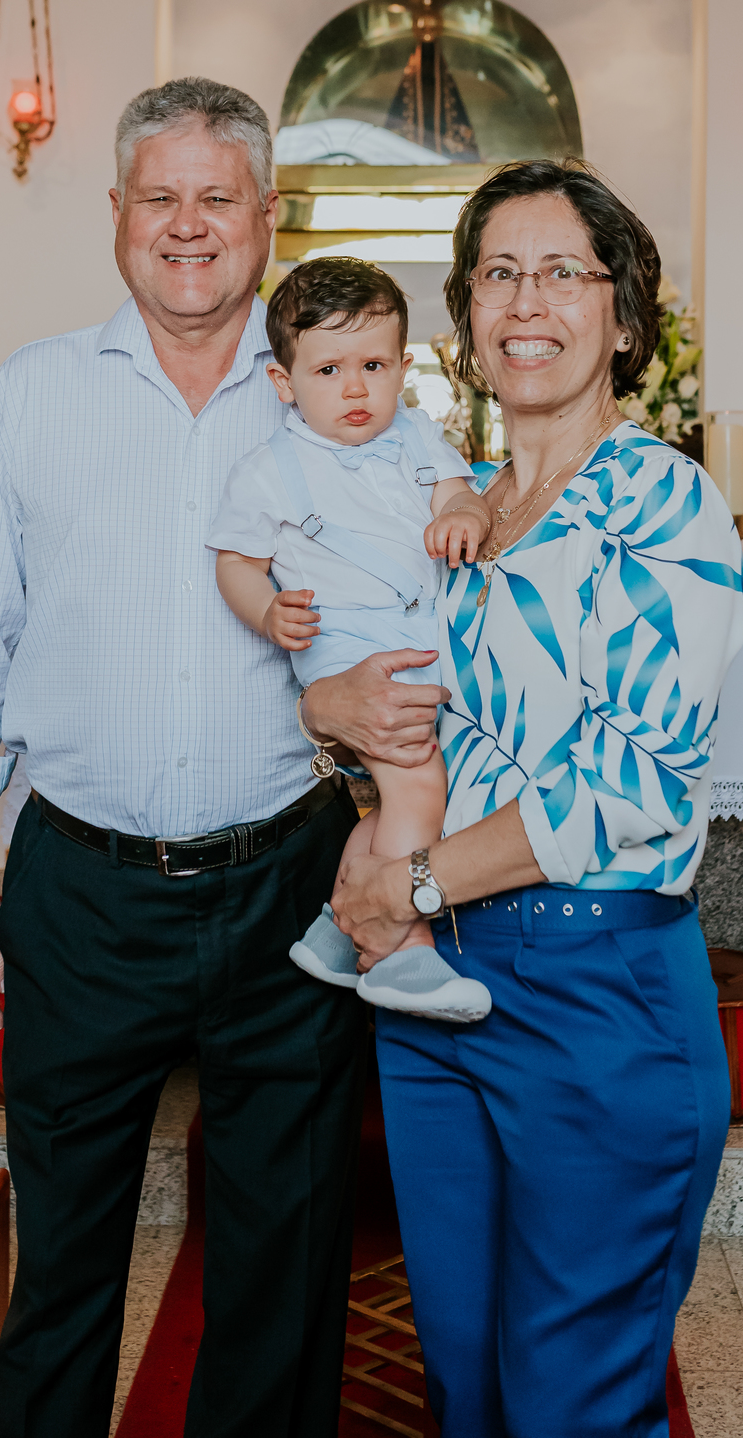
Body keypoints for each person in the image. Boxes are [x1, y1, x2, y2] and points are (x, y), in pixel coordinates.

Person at [0, 77, 450, 1438]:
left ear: (269, 218)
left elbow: (434, 582)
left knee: (284, 1263)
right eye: (161, 196)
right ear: (116, 215)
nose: (189, 225)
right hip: (80, 888)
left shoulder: (340, 401)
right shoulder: (37, 392)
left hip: (285, 877)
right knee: (66, 1267)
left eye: (220, 197)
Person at [329, 159, 743, 1438]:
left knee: (573, 1402)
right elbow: (427, 735)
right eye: (497, 274)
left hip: (596, 991)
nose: (528, 301)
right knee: (465, 1381)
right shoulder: (461, 513)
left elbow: (630, 775)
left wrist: (404, 883)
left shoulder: (661, 501)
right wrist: (337, 723)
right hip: (441, 992)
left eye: (563, 271)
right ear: (466, 317)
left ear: (624, 316)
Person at [211, 255, 492, 1022]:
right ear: (284, 382)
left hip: (422, 637)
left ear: (404, 365)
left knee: (393, 803)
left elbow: (457, 490)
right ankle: (401, 952)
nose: (357, 387)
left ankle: (335, 932)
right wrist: (268, 613)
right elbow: (236, 563)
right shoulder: (269, 469)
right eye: (330, 368)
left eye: (373, 364)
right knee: (417, 783)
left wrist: (462, 512)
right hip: (346, 652)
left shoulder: (415, 437)